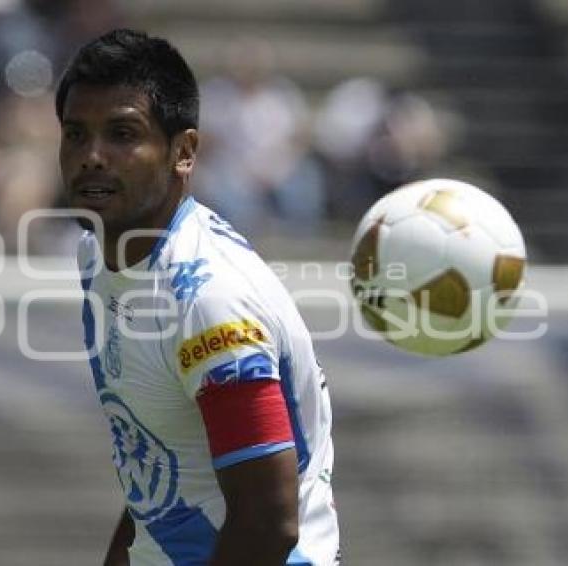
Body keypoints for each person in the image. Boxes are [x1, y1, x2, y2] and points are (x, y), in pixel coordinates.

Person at [55, 29, 339, 565]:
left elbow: (268, 523)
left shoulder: (210, 303)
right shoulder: (99, 253)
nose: (91, 156)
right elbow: (160, 464)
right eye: (75, 134)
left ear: (183, 152)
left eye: (121, 134)